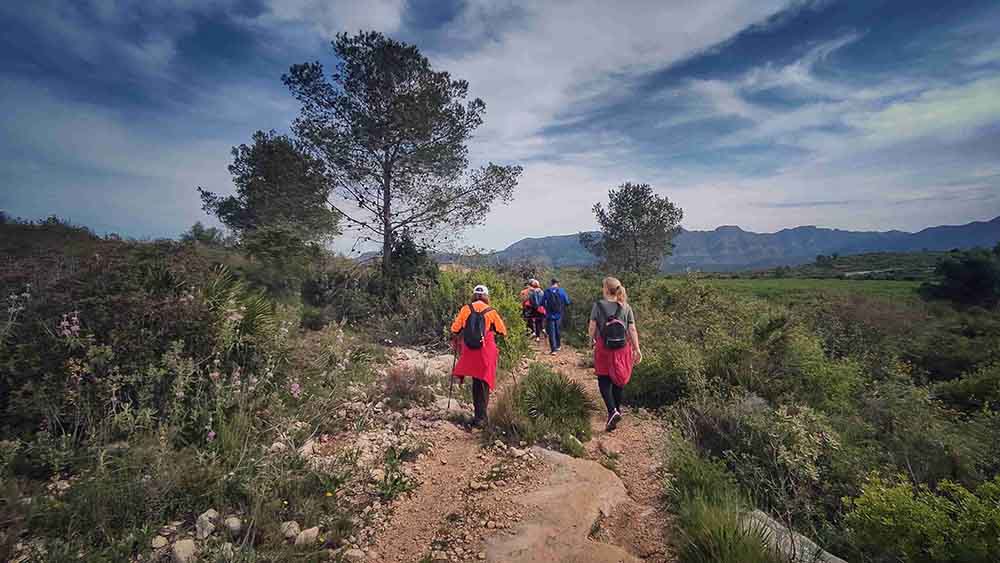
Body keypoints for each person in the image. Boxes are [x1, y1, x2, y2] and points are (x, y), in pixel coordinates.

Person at [588, 276, 642, 431]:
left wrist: (591, 340)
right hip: (622, 348)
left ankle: (612, 411)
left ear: (605, 289)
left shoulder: (598, 305)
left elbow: (592, 327)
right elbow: (632, 329)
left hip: (604, 347)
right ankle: (617, 410)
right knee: (618, 380)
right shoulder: (626, 307)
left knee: (604, 379)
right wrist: (637, 349)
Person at [450, 285, 508, 428]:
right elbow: (502, 331)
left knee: (476, 383)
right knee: (483, 382)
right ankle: (482, 418)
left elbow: (455, 329)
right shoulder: (491, 311)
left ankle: (479, 416)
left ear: (474, 295)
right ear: (486, 296)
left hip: (470, 351)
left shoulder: (466, 309)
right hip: (485, 351)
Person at [542, 278, 570, 354]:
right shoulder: (562, 291)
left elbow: (542, 303)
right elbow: (567, 302)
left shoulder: (547, 291)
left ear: (551, 283)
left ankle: (553, 350)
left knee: (551, 332)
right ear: (558, 283)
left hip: (549, 315)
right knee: (557, 330)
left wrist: (546, 309)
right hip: (559, 314)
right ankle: (558, 346)